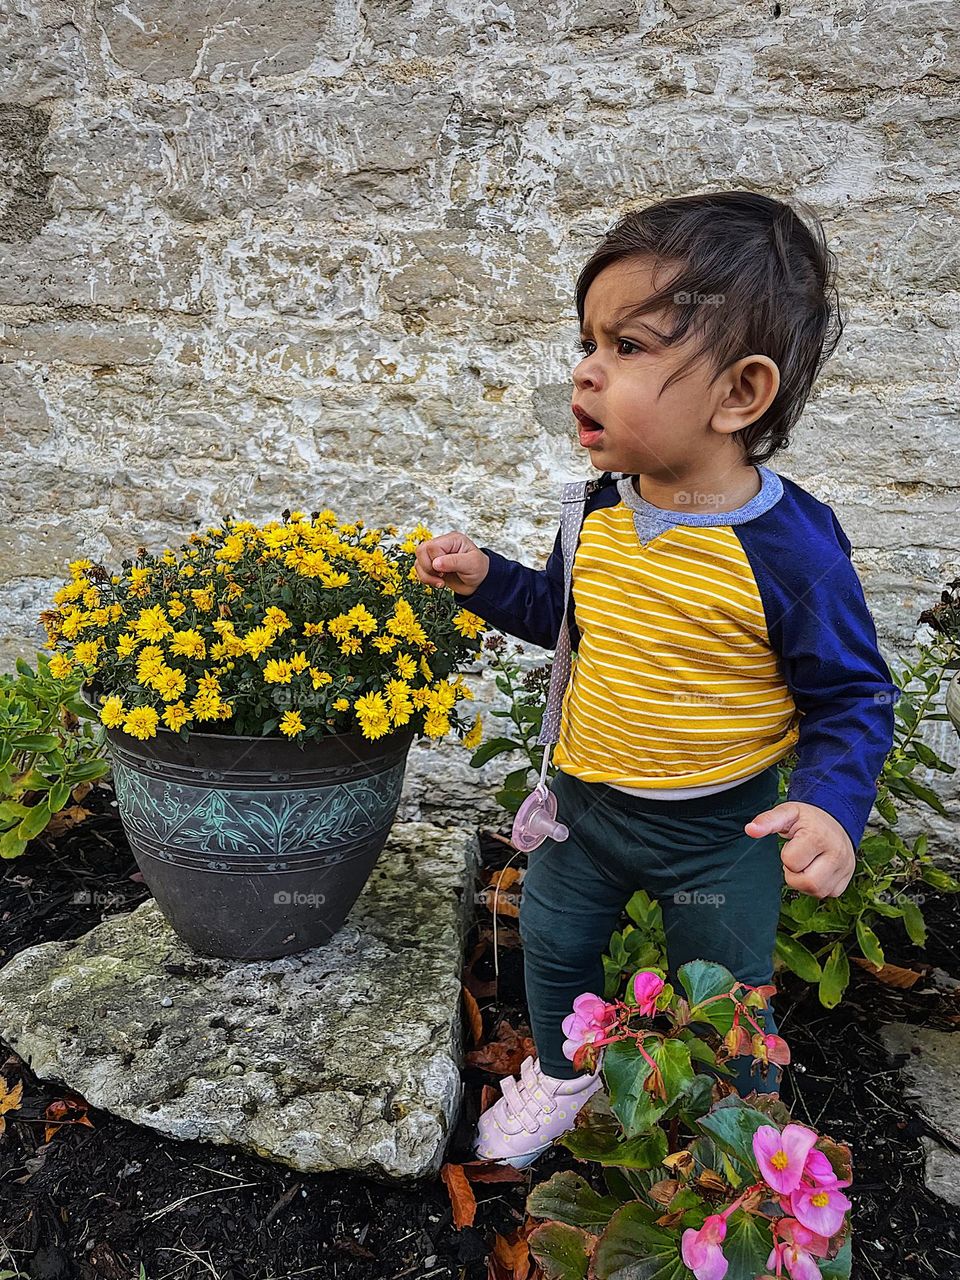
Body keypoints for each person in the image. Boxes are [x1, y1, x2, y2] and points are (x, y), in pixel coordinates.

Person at [413, 191, 900, 1170]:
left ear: (738, 394)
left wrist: (832, 810)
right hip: (589, 807)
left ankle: (731, 1151)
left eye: (628, 347)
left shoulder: (789, 552)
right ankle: (564, 1068)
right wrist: (485, 581)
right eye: (587, 341)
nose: (587, 370)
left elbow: (852, 696)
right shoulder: (594, 511)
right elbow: (563, 618)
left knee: (723, 993)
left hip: (718, 833)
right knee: (552, 942)